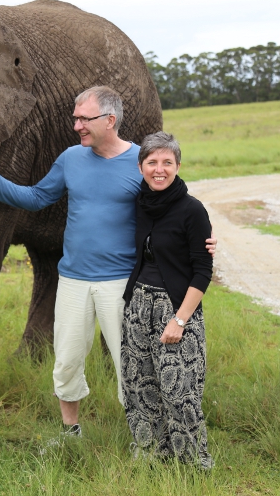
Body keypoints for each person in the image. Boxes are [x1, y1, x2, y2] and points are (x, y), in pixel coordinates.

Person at [0, 86, 215, 439]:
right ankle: (71, 431)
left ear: (110, 120)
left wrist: (203, 238)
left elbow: (174, 207)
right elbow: (39, 197)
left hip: (122, 283)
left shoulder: (140, 162)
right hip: (73, 279)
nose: (77, 126)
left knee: (128, 363)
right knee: (67, 359)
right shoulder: (70, 158)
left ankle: (142, 435)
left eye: (84, 118)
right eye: (76, 118)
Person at [121, 131, 213, 468]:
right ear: (141, 165)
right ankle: (149, 456)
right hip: (138, 306)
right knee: (138, 384)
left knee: (180, 392)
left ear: (177, 165)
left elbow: (203, 270)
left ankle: (191, 465)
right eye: (152, 162)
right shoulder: (141, 203)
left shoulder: (192, 210)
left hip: (175, 309)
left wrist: (180, 320)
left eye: (167, 162)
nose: (159, 169)